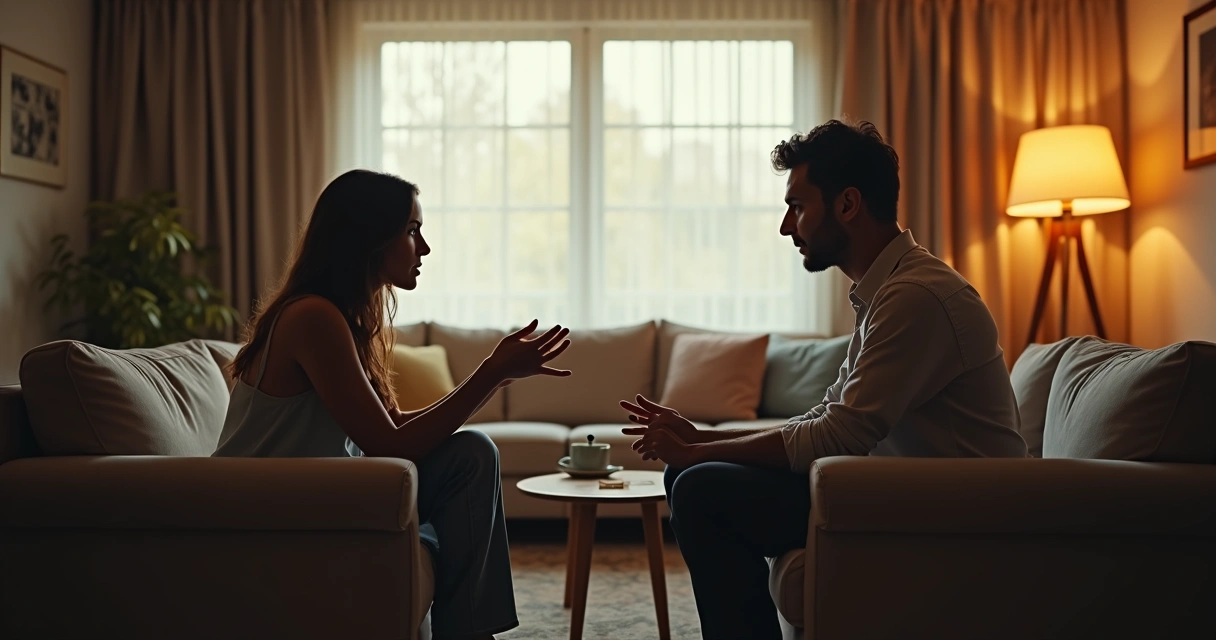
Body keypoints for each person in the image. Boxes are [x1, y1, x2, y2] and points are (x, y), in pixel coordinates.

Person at [620, 120, 1027, 639]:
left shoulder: (916, 298)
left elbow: (839, 435)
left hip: (947, 510)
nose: (788, 227)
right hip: (893, 488)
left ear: (848, 204)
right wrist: (702, 440)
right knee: (686, 477)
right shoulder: (887, 293)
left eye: (797, 206)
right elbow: (830, 416)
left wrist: (702, 452)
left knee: (700, 488)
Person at [214, 169, 573, 640]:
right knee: (470, 459)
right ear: (368, 237)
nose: (424, 248)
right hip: (278, 505)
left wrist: (495, 375)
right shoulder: (313, 317)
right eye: (411, 231)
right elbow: (387, 442)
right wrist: (492, 371)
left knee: (472, 454)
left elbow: (387, 429)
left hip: (322, 489)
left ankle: (467, 630)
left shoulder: (337, 317)